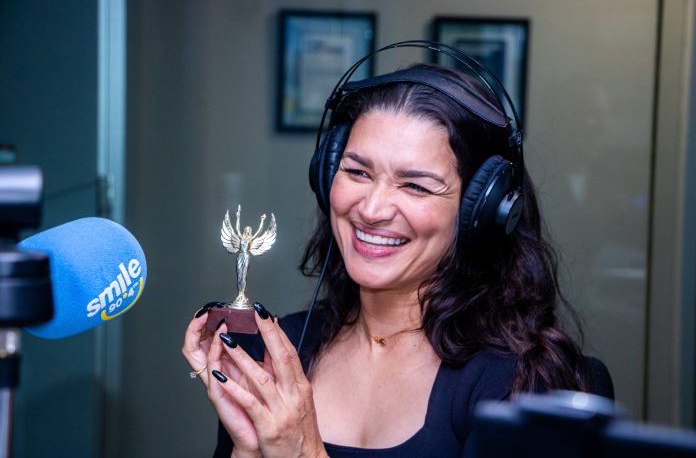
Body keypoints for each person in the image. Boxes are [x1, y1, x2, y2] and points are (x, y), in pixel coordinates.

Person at [183, 52, 613, 458]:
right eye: (358, 172)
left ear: (481, 211)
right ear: (327, 176)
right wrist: (249, 451)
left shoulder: (528, 381)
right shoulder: (281, 351)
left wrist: (306, 451)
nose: (372, 209)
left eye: (415, 186)